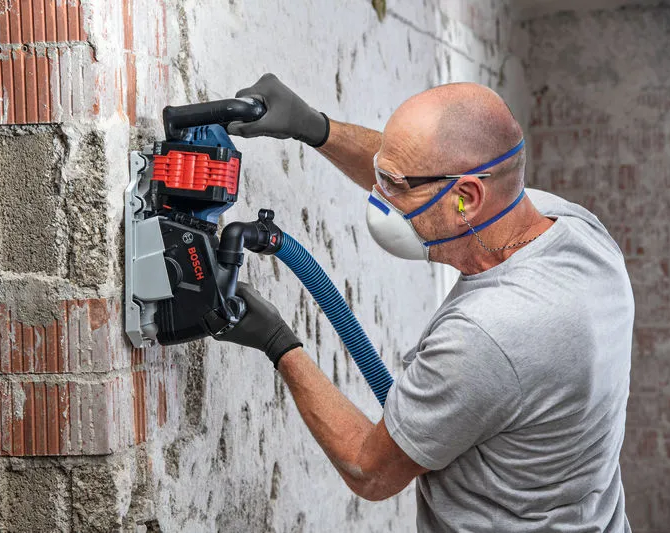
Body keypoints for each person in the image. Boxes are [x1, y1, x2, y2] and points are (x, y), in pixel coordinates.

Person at [217, 74, 634, 532]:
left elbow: (369, 470)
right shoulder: (573, 228)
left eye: (393, 185)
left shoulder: (490, 335)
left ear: (467, 199)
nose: (381, 198)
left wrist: (277, 341)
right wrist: (315, 127)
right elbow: (431, 170)